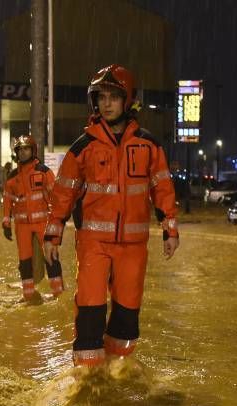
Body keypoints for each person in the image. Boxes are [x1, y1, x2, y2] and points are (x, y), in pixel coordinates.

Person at [43, 64, 179, 367]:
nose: (106, 103)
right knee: (90, 311)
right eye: (101, 97)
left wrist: (170, 229)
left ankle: (119, 374)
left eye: (114, 97)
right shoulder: (83, 148)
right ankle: (88, 385)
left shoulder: (149, 145)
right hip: (94, 244)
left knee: (127, 317)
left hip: (133, 247)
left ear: (127, 100)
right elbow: (63, 194)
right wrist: (53, 234)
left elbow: (163, 190)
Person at [2, 135, 64, 301]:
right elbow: (7, 200)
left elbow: (56, 197)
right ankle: (28, 295)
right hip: (22, 225)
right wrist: (6, 222)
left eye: (26, 149)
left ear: (33, 150)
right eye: (20, 150)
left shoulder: (44, 172)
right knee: (24, 260)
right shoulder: (12, 177)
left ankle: (58, 294)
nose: (22, 153)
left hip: (43, 223)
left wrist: (58, 221)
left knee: (51, 256)